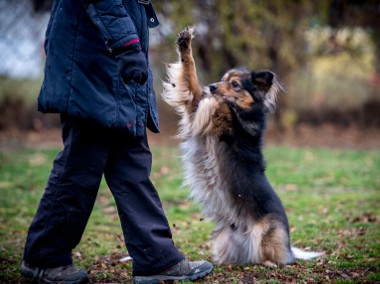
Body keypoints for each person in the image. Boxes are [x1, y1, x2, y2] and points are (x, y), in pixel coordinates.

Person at [20, 0, 213, 283]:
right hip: (92, 64)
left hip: (114, 69)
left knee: (132, 164)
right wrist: (127, 45)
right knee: (82, 161)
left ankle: (155, 258)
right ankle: (44, 256)